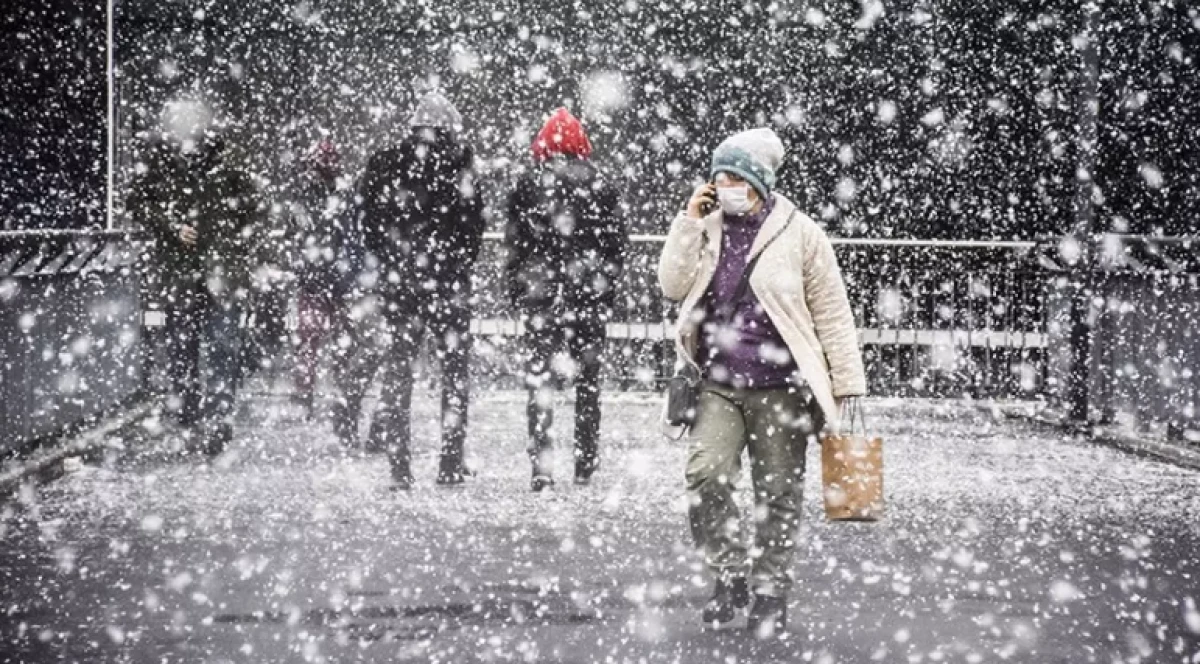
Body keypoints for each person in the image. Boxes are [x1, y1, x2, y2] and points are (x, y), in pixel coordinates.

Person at [657, 127, 867, 635]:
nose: (725, 185)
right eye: (718, 177)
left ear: (758, 180)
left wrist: (847, 384)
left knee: (777, 494)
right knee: (705, 476)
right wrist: (688, 222)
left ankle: (770, 591)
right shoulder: (706, 227)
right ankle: (729, 574)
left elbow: (832, 313)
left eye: (734, 176)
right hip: (718, 383)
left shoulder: (801, 234)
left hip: (781, 387)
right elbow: (671, 283)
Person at [357, 91, 485, 488]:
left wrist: (393, 263)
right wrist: (455, 262)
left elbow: (368, 223)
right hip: (448, 284)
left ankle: (400, 468)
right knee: (454, 373)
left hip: (401, 284)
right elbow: (473, 226)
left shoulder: (384, 163)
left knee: (399, 371)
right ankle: (449, 462)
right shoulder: (461, 165)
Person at [504, 107, 625, 491]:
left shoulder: (527, 184)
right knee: (588, 383)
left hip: (542, 297)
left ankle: (542, 467)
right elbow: (615, 246)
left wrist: (519, 287)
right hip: (587, 296)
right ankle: (585, 463)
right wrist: (604, 287)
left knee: (540, 382)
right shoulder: (602, 184)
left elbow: (516, 243)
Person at [128, 118, 262, 455]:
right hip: (186, 274)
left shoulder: (228, 167)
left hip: (216, 275)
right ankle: (193, 418)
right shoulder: (163, 165)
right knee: (185, 350)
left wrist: (231, 244)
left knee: (217, 348)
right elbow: (137, 204)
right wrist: (173, 227)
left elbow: (254, 211)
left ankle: (212, 422)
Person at [285, 139, 363, 425]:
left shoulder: (307, 194)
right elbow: (353, 236)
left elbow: (298, 233)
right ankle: (340, 396)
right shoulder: (343, 193)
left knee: (310, 341)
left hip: (319, 278)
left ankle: (309, 397)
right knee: (335, 342)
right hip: (332, 279)